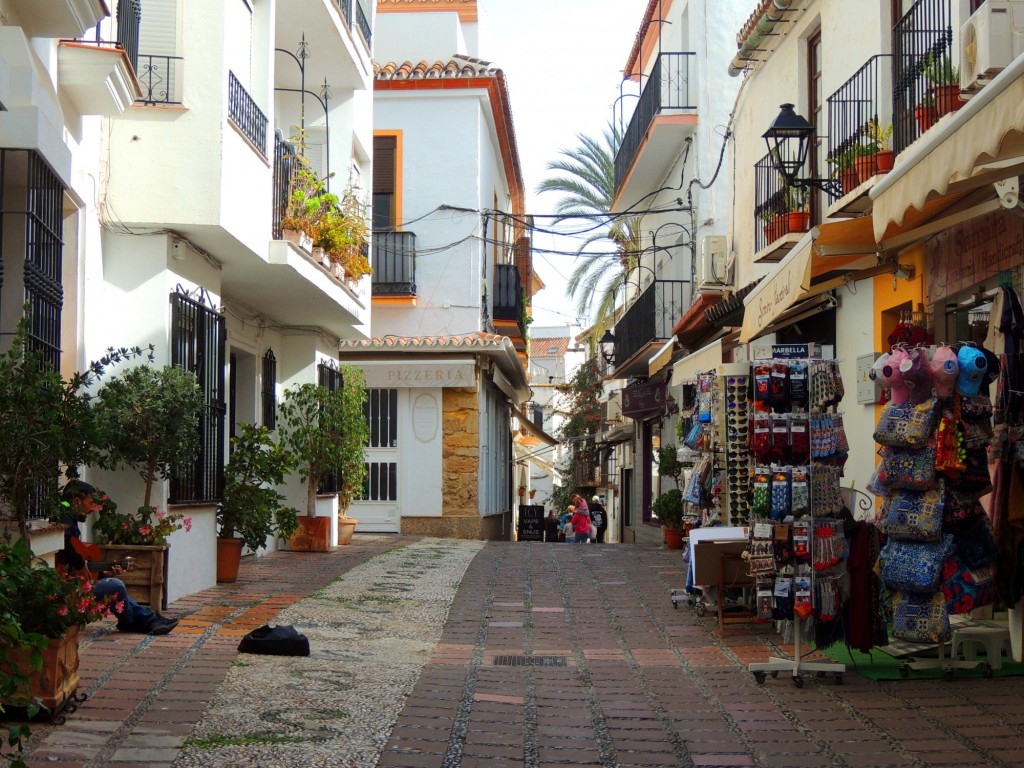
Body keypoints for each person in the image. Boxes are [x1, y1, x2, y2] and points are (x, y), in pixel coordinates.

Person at [56, 480, 179, 636]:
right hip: (67, 591)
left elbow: (78, 566)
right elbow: (66, 543)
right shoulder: (63, 516)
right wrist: (80, 563)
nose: (92, 508)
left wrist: (103, 573)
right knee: (117, 586)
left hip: (73, 584)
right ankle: (131, 622)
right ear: (76, 501)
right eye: (90, 502)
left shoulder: (67, 514)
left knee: (114, 587)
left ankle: (152, 620)